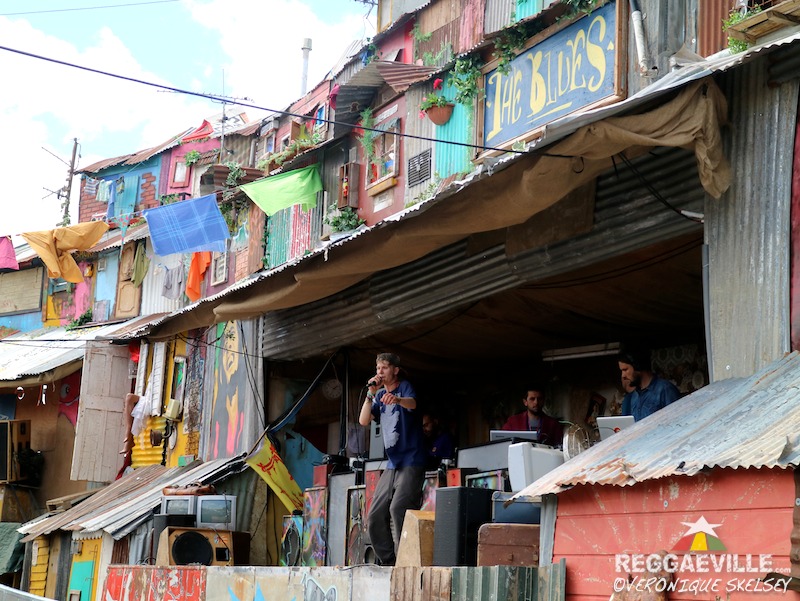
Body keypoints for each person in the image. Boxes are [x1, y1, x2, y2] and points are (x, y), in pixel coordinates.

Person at [358, 352, 426, 566]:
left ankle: (407, 560)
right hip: (392, 463)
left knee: (399, 508)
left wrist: (397, 399)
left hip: (412, 459)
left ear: (395, 370)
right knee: (375, 514)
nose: (380, 372)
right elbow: (363, 421)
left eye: (385, 368)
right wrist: (370, 394)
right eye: (378, 368)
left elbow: (413, 404)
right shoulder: (378, 395)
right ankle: (389, 561)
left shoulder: (404, 387)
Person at [618, 348, 680, 421]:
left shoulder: (665, 389)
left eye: (625, 370)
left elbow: (677, 421)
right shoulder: (634, 396)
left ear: (637, 366)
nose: (623, 375)